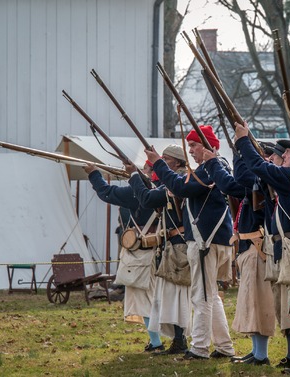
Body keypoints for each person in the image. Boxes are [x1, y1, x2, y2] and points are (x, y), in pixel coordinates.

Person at [234, 121, 290, 374]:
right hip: (286, 248)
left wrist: (241, 141)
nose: (282, 157)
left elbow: (258, 166)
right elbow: (250, 173)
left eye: (288, 154)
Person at [147, 125, 235, 360]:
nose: (191, 151)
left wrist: (158, 163)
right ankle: (225, 346)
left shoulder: (211, 168)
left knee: (202, 296)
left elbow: (179, 187)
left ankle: (199, 347)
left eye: (194, 145)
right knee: (210, 295)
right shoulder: (210, 169)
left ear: (208, 147)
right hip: (207, 240)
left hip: (207, 241)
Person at [202, 146, 276, 366]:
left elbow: (235, 179)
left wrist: (235, 152)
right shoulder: (251, 184)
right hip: (247, 247)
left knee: (258, 303)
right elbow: (231, 183)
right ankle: (256, 351)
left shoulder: (260, 180)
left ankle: (261, 354)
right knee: (250, 303)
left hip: (257, 248)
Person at [83, 162, 164, 353]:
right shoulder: (167, 188)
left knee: (144, 298)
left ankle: (156, 341)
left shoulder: (136, 192)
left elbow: (105, 192)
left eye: (146, 168)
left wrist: (94, 173)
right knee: (160, 297)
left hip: (142, 253)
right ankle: (169, 340)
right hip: (163, 250)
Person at [125, 145, 192, 355]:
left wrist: (135, 177)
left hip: (179, 244)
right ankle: (178, 341)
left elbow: (147, 199)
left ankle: (182, 341)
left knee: (178, 295)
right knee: (172, 295)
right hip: (173, 243)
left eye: (166, 159)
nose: (162, 162)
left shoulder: (177, 182)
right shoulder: (174, 181)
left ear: (178, 163)